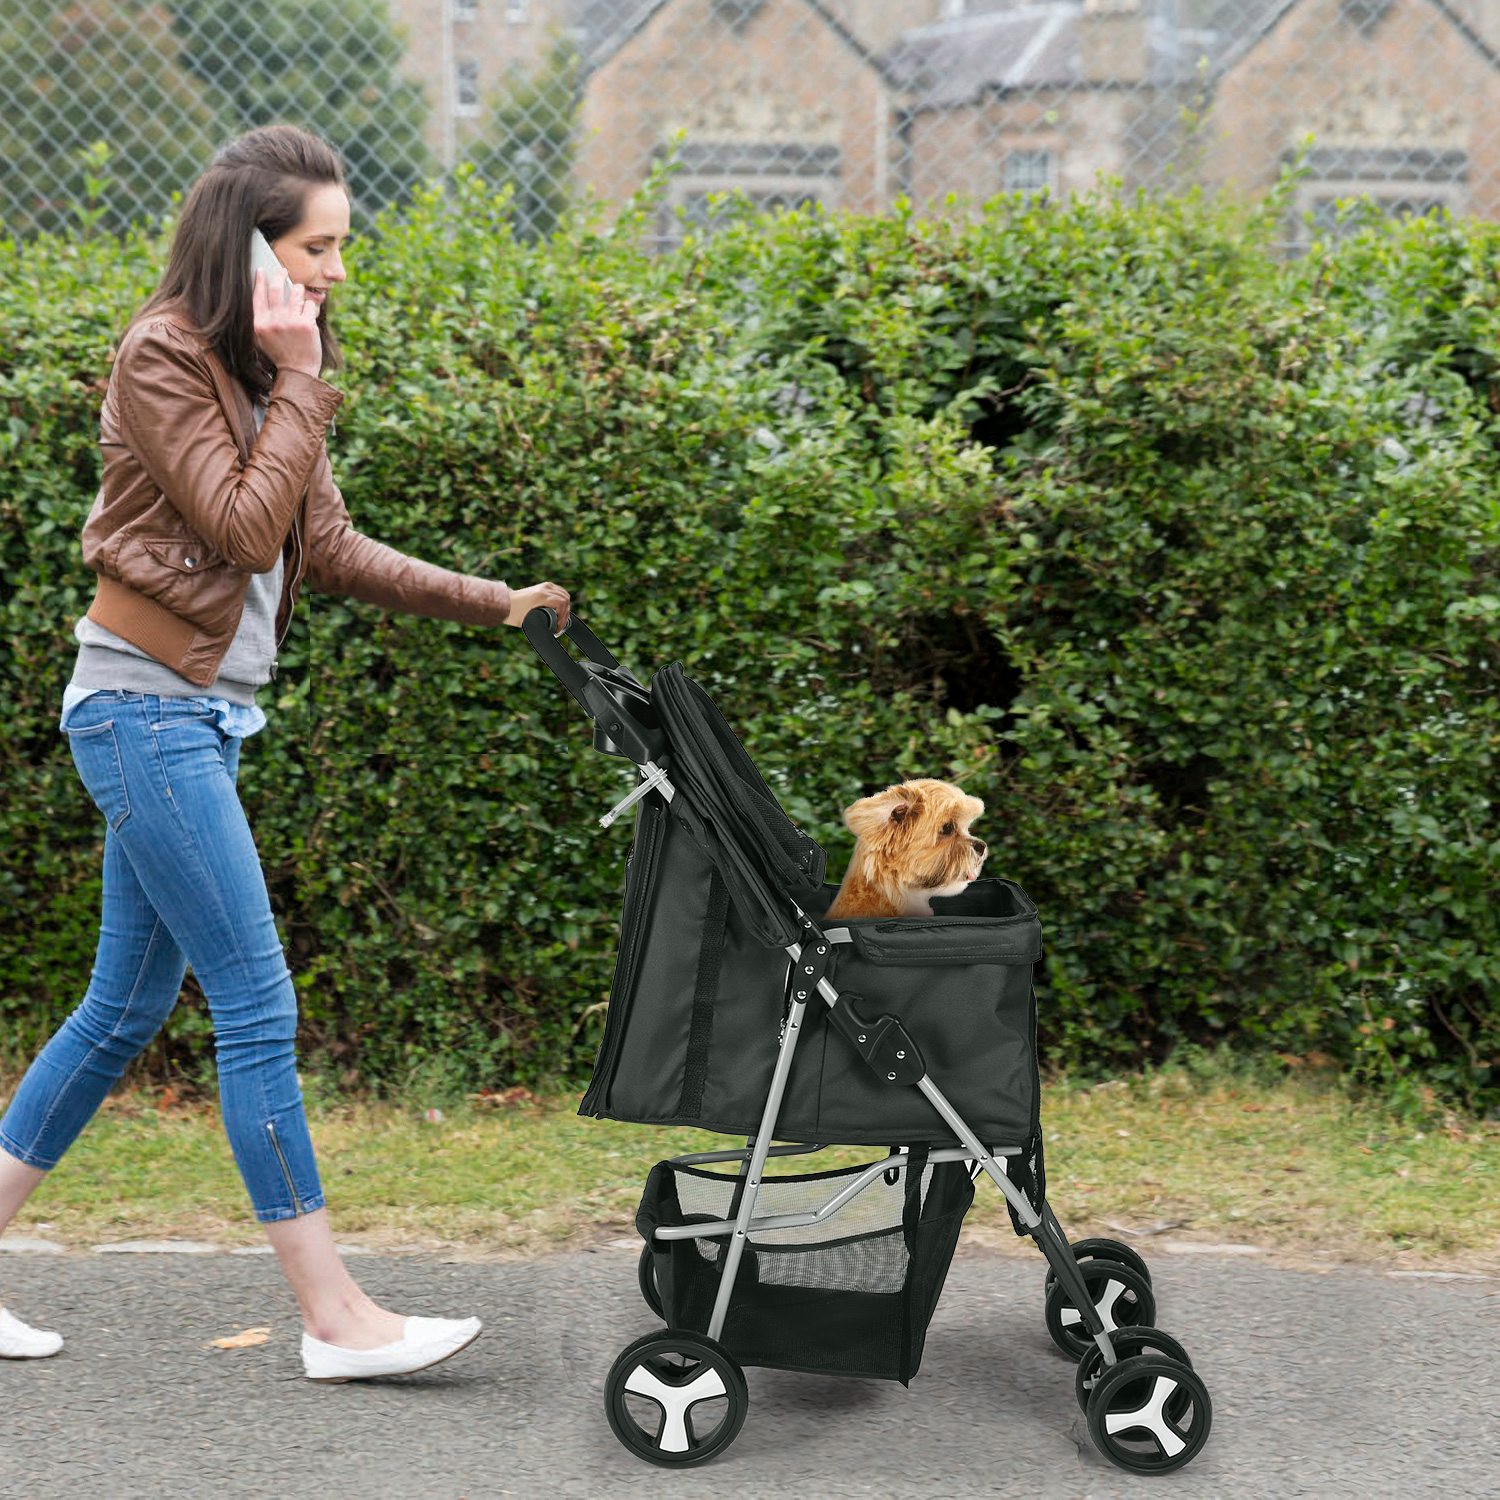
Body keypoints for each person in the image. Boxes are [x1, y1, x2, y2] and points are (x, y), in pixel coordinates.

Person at [0, 125, 569, 1381]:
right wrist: (304, 381)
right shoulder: (164, 355)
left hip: (191, 720)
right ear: (251, 249)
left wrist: (498, 603)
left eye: (339, 248)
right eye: (319, 249)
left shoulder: (264, 373)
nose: (337, 272)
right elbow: (245, 530)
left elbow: (332, 546)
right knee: (257, 1007)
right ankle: (336, 1320)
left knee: (122, 1009)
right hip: (142, 712)